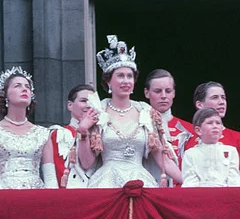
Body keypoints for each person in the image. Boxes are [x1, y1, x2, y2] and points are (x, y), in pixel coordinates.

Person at [77, 35, 182, 188]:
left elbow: (162, 159)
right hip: (106, 183)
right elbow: (87, 164)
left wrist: (190, 182)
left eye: (129, 76)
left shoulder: (146, 113)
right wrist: (83, 131)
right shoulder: (97, 113)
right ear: (108, 81)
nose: (126, 81)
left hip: (141, 181)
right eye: (120, 76)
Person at [0, 67, 57, 189]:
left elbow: (50, 177)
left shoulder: (43, 133)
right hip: (4, 194)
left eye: (27, 87)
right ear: (5, 94)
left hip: (37, 195)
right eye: (17, 86)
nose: (24, 89)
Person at [188, 81, 240, 186]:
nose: (221, 102)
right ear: (199, 104)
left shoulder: (238, 138)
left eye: (223, 97)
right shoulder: (188, 139)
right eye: (215, 97)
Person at [143, 69, 193, 168]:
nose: (164, 96)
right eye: (158, 91)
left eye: (168, 91)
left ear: (174, 93)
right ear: (146, 93)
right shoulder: (139, 126)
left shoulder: (189, 130)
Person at [181, 107, 240, 188]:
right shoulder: (190, 154)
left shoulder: (231, 151)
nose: (215, 126)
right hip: (200, 197)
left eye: (218, 123)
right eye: (210, 123)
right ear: (198, 130)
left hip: (226, 196)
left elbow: (234, 181)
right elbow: (190, 183)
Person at [49, 83, 96, 188]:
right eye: (83, 101)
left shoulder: (101, 134)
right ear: (70, 105)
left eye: (92, 102)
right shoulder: (59, 134)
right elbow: (58, 171)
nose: (89, 105)